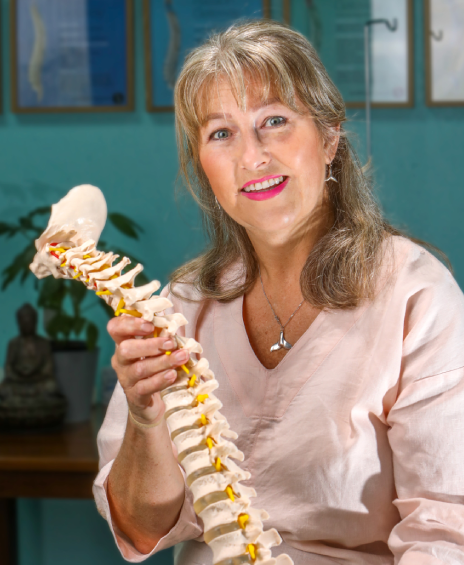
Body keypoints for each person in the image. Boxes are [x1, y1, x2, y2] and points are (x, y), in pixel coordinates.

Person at [93, 21, 464, 565]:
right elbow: (140, 530)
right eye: (222, 133)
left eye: (274, 121)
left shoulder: (416, 296)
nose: (253, 157)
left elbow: (446, 530)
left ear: (330, 137)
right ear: (204, 164)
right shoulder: (184, 303)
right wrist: (146, 419)